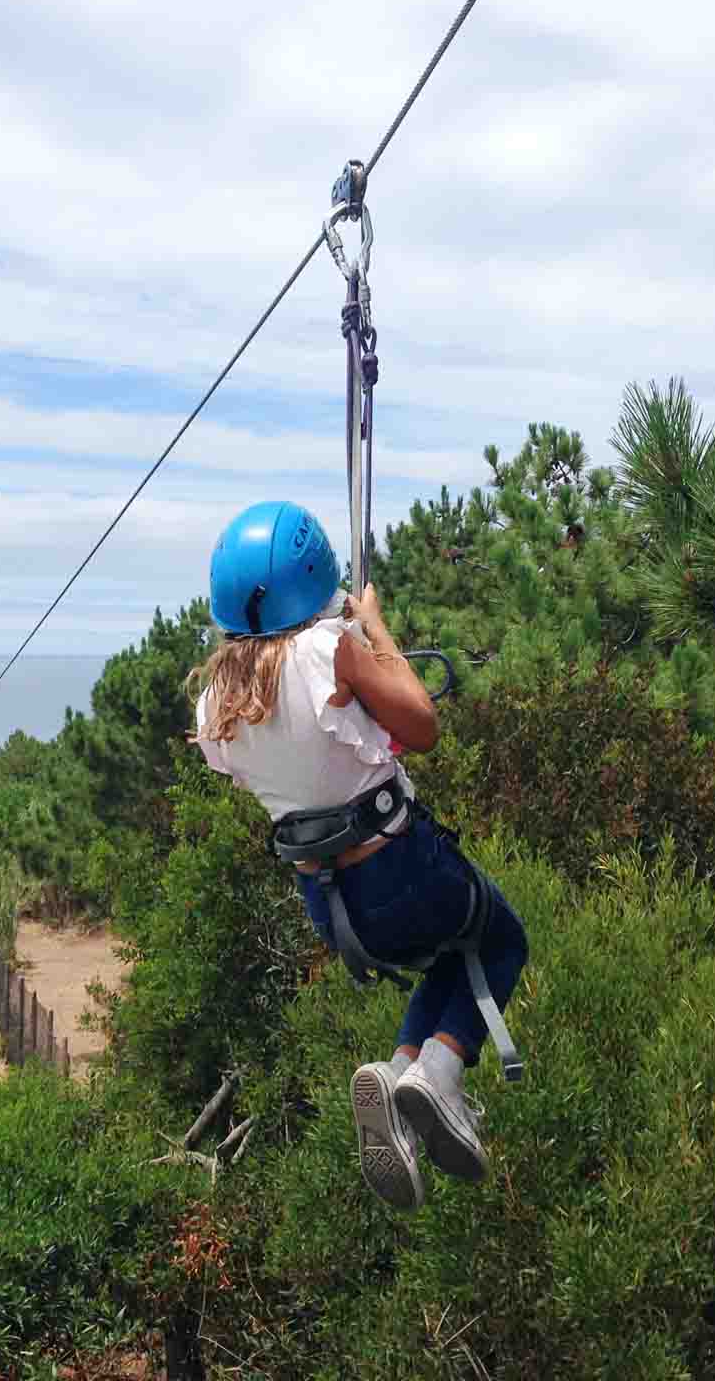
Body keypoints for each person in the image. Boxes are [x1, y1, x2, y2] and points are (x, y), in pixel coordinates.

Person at [189, 500, 528, 1211]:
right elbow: (422, 723)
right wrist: (372, 627)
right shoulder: (328, 652)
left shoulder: (218, 693)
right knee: (499, 942)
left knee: (445, 959)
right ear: (313, 577)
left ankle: (406, 1072)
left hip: (331, 905)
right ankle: (437, 1071)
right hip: (401, 869)